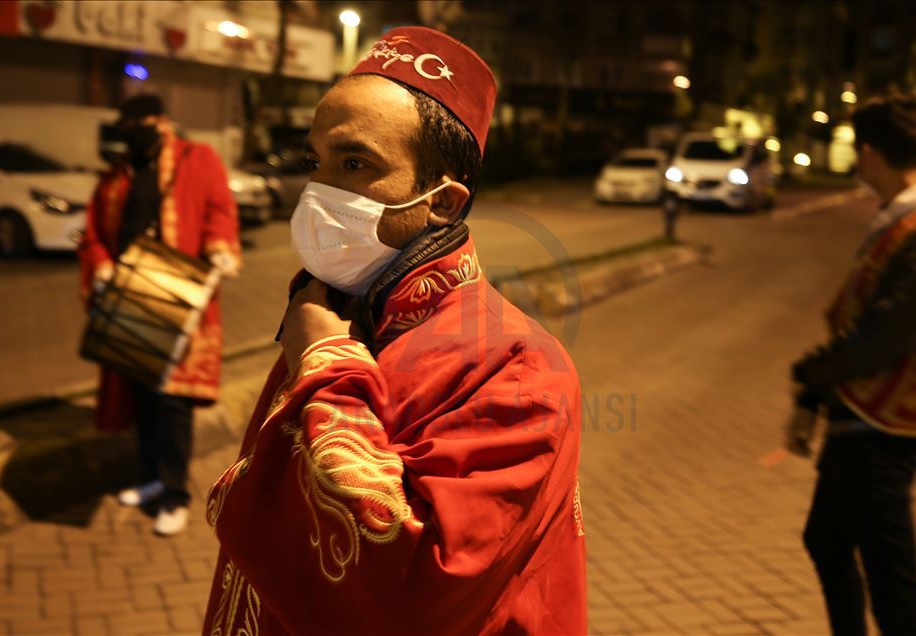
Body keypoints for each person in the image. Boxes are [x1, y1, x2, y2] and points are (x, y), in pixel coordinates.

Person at [202, 27, 586, 634]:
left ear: (445, 202)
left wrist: (327, 366)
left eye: (354, 164)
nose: (318, 193)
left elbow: (414, 590)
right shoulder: (338, 309)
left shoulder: (519, 367)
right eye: (315, 163)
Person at [788, 92, 916, 636]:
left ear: (871, 153)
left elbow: (880, 338)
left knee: (890, 574)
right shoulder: (913, 221)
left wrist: (807, 377)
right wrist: (813, 395)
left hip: (889, 425)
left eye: (858, 154)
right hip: (864, 412)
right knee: (828, 540)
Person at [78, 94, 241, 536]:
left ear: (163, 122)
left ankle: (174, 495)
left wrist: (219, 248)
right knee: (141, 394)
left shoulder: (197, 158)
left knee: (171, 402)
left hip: (176, 289)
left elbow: (220, 211)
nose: (135, 129)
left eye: (142, 122)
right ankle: (151, 480)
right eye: (127, 123)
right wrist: (101, 265)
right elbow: (92, 231)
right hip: (129, 293)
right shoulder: (116, 176)